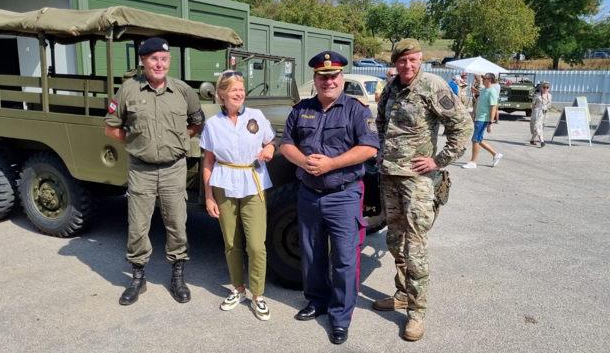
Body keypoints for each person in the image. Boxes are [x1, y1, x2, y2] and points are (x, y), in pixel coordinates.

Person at [373, 38, 473, 341]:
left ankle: (416, 313)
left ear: (420, 60)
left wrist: (438, 160)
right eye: (402, 61)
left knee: (415, 246)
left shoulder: (433, 86)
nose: (408, 65)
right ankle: (402, 293)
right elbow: (381, 121)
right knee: (394, 240)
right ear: (395, 63)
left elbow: (463, 126)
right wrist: (381, 151)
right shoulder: (391, 87)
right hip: (390, 176)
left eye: (413, 60)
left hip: (417, 180)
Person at [280, 51, 379, 345]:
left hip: (344, 195)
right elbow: (286, 143)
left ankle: (340, 316)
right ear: (315, 79)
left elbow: (370, 147)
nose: (328, 81)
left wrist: (331, 164)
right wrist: (302, 161)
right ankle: (316, 301)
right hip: (309, 193)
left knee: (345, 259)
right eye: (322, 77)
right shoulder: (300, 110)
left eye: (333, 76)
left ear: (341, 78)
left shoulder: (357, 109)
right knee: (311, 254)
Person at [104, 37, 205, 305]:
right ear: (143, 61)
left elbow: (197, 121)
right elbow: (111, 127)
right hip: (141, 170)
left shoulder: (183, 91)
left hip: (174, 169)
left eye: (164, 59)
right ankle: (138, 278)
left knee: (177, 225)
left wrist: (181, 139)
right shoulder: (128, 91)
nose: (159, 64)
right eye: (153, 59)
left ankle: (177, 277)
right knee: (137, 227)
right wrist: (137, 143)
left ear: (169, 61)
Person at [200, 70, 276, 321]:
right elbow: (208, 161)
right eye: (234, 89)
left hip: (253, 183)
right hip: (224, 184)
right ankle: (238, 289)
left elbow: (271, 141)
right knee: (231, 242)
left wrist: (269, 149)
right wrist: (209, 196)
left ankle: (258, 294)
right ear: (221, 94)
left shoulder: (256, 116)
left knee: (256, 244)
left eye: (241, 88)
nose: (240, 93)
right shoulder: (213, 124)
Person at [462, 73, 503, 169]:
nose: (482, 79)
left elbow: (493, 108)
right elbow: (481, 99)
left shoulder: (492, 92)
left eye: (483, 78)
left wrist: (490, 123)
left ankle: (473, 162)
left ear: (488, 79)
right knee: (478, 139)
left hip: (483, 119)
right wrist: (474, 113)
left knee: (475, 140)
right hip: (478, 117)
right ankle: (495, 154)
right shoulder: (484, 90)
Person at [530, 81, 552, 147]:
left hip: (545, 113)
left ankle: (532, 140)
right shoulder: (537, 95)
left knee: (541, 127)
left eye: (547, 87)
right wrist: (534, 112)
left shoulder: (550, 96)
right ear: (541, 87)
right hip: (537, 113)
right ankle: (542, 142)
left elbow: (549, 105)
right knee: (537, 126)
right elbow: (533, 105)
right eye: (544, 87)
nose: (545, 89)